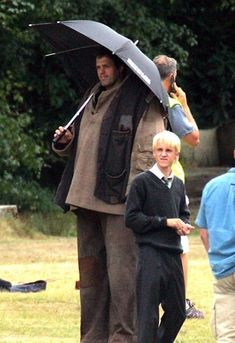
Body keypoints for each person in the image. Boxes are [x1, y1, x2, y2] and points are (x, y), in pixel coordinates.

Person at [53, 47, 166, 343]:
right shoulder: (91, 95)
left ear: (121, 68)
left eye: (106, 66)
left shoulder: (142, 100)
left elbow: (147, 153)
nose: (101, 72)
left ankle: (122, 337)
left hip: (119, 204)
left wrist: (135, 199)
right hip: (83, 198)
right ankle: (92, 337)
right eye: (98, 67)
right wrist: (66, 140)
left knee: (122, 277)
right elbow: (86, 142)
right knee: (91, 277)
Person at [125, 130, 194, 343]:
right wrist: (164, 222)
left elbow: (182, 212)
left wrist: (182, 225)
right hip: (150, 253)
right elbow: (132, 218)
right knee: (148, 315)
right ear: (154, 153)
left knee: (178, 311)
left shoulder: (178, 185)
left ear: (176, 156)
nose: (163, 154)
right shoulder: (141, 183)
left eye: (169, 150)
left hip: (173, 254)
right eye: (159, 150)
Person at [153, 54, 204, 319]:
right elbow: (194, 138)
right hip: (172, 179)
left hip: (144, 178)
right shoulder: (170, 103)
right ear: (172, 77)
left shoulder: (140, 99)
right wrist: (184, 104)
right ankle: (180, 301)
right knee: (180, 245)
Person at [195, 148, 235, 342]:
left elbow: (203, 232)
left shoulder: (212, 186)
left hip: (224, 269)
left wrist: (217, 259)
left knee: (226, 333)